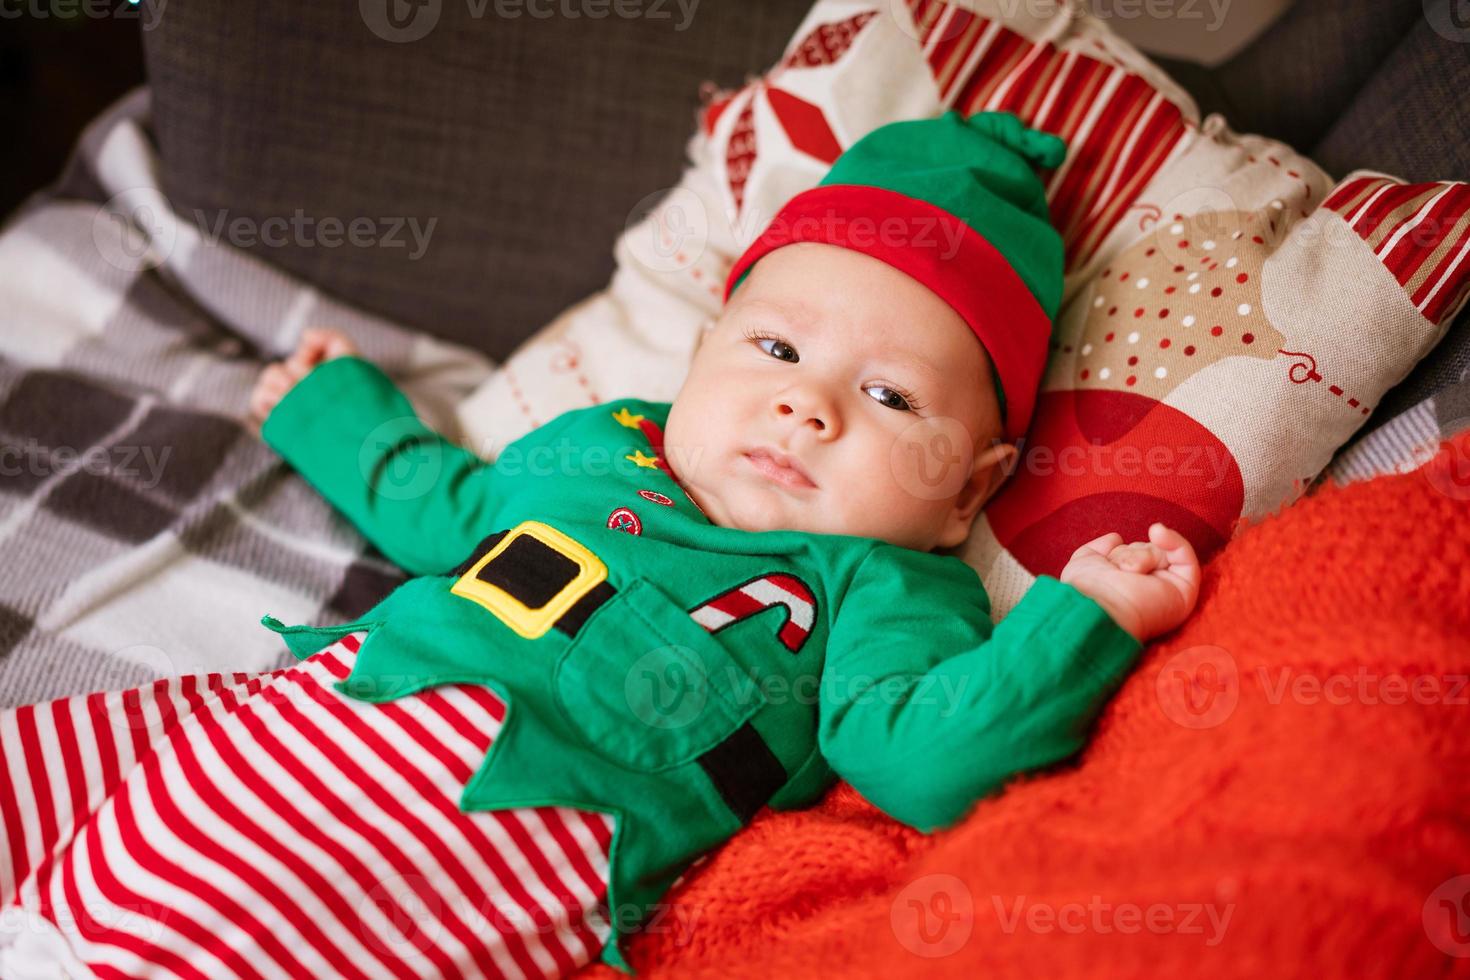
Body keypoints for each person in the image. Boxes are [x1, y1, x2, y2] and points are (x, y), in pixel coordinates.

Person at [0, 110, 1200, 979]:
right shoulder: (603, 448)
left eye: (890, 397)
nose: (808, 407)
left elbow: (920, 760)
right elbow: (448, 509)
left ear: (968, 491)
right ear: (700, 359)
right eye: (775, 353)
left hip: (501, 839)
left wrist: (1083, 613)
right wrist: (334, 412)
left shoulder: (885, 581)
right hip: (331, 712)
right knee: (100, 821)